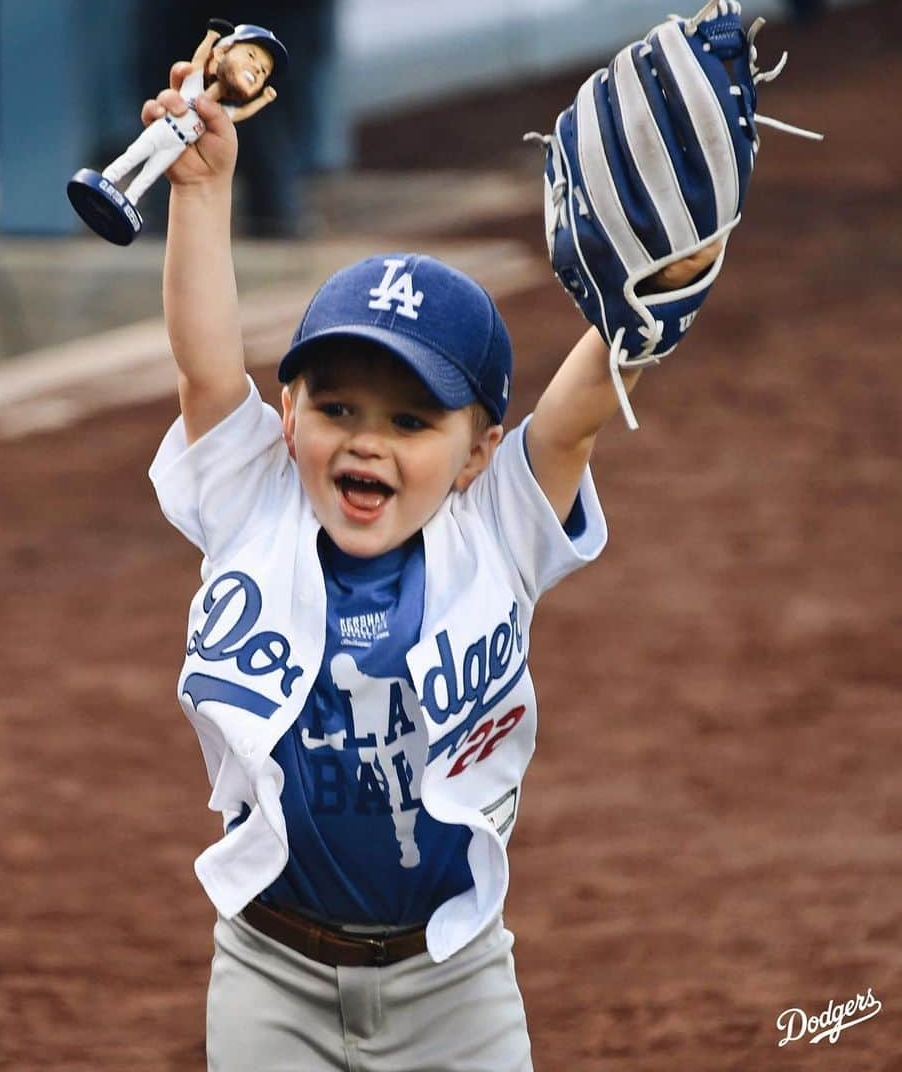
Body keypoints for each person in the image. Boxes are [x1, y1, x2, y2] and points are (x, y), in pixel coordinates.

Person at [142, 65, 720, 1069]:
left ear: (479, 450)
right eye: (336, 409)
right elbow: (203, 366)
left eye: (413, 421)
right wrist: (197, 191)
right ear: (288, 415)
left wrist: (651, 301)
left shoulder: (497, 524)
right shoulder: (254, 497)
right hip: (269, 973)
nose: (367, 443)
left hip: (454, 981)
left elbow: (578, 412)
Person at [98, 21, 285, 208]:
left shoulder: (219, 114)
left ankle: (130, 199)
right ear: (220, 53)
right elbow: (199, 59)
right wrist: (211, 36)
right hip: (165, 127)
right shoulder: (194, 84)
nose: (257, 69)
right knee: (134, 154)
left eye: (264, 71)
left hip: (179, 145)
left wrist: (263, 100)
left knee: (150, 173)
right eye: (251, 55)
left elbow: (241, 113)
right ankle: (106, 179)